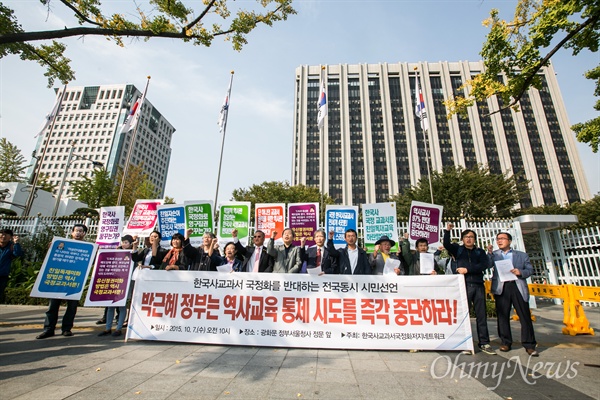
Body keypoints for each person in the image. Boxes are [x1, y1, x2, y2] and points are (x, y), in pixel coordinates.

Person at [443, 223, 494, 355]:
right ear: (462, 239)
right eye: (466, 237)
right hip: (463, 285)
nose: (468, 239)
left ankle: (484, 342)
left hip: (478, 285)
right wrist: (447, 231)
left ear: (474, 239)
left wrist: (468, 270)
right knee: (464, 315)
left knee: (481, 315)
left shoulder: (480, 252)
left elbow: (484, 265)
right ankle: (465, 342)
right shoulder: (458, 250)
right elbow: (447, 244)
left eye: (471, 237)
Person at [488, 232, 539, 357]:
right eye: (498, 239)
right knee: (502, 316)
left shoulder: (521, 255)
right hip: (502, 287)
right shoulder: (494, 255)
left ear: (509, 241)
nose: (500, 241)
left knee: (524, 316)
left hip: (517, 285)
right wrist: (488, 254)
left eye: (502, 239)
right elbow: (487, 265)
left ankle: (529, 345)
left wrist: (520, 272)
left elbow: (530, 270)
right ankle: (505, 342)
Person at [36, 224, 88, 339]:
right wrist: (51, 249)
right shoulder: (62, 245)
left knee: (72, 307)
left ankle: (66, 328)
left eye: (81, 231)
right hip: (59, 280)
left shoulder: (88, 248)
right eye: (76, 231)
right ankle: (49, 329)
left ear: (84, 234)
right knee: (52, 306)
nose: (78, 233)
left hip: (75, 281)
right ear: (72, 233)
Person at [98, 235, 136, 337]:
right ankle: (108, 328)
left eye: (127, 242)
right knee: (110, 306)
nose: (124, 244)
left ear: (131, 243)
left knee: (122, 307)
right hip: (114, 282)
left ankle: (119, 328)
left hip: (125, 283)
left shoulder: (133, 254)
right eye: (123, 242)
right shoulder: (115, 252)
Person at [0, 228, 23, 303]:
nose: (3, 236)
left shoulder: (11, 246)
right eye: (2, 234)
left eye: (6, 235)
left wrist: (16, 243)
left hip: (2, 275)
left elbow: (18, 254)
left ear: (10, 237)